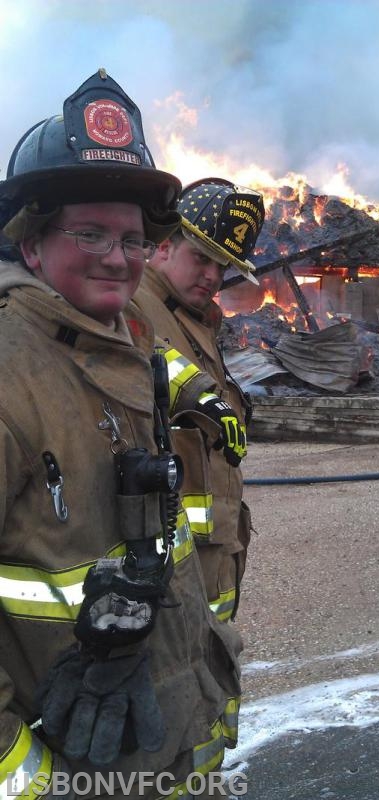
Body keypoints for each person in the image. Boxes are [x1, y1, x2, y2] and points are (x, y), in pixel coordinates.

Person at [0, 71, 242, 799]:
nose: (117, 256)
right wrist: (24, 776)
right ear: (31, 242)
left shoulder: (131, 344)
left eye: (132, 238)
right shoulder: (11, 371)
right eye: (89, 232)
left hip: (159, 736)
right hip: (66, 763)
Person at [134, 178, 265, 622]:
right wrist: (200, 394)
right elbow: (143, 354)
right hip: (172, 546)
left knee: (215, 661)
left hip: (213, 542)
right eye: (201, 258)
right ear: (165, 245)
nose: (213, 276)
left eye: (222, 264)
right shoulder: (131, 302)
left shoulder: (194, 318)